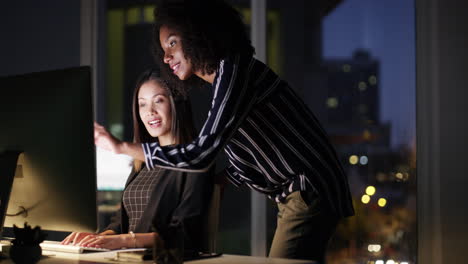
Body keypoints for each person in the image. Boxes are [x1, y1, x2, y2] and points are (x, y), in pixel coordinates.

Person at [94, 0, 354, 262]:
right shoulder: (224, 80)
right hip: (300, 190)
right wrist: (222, 180)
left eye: (172, 43)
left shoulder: (233, 72)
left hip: (308, 187)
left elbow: (203, 151)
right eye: (163, 49)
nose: (166, 57)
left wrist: (121, 147)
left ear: (198, 33)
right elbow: (254, 147)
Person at [62, 68, 213, 255]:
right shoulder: (141, 163)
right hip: (128, 258)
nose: (150, 111)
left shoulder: (196, 162)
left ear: (176, 104)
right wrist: (97, 238)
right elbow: (120, 224)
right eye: (142, 104)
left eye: (158, 101)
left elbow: (185, 235)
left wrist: (125, 240)